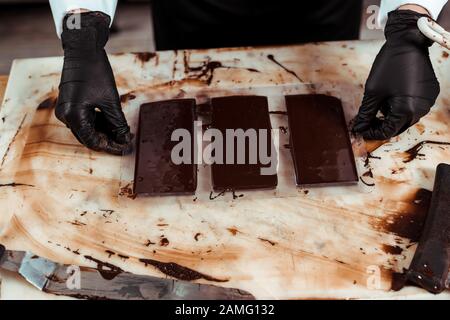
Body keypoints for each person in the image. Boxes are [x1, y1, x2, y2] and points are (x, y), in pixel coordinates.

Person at [48, 0, 448, 154]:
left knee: (321, 124)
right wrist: (81, 26)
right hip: (192, 10)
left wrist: (411, 15)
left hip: (323, 10)